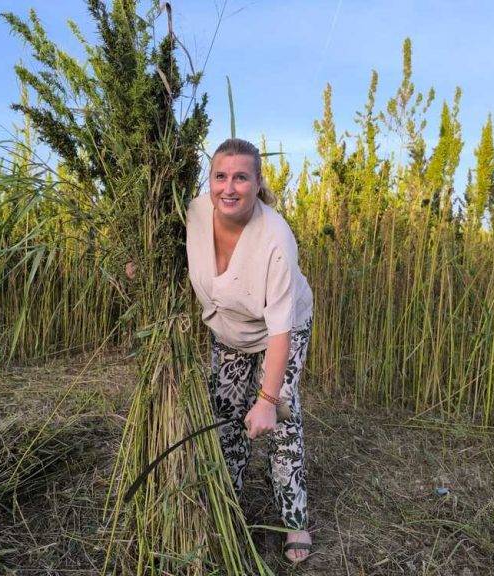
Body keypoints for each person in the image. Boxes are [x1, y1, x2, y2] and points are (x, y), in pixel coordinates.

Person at [185, 138, 314, 564]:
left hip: (281, 329)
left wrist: (267, 399)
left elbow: (281, 332)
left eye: (241, 177)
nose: (229, 187)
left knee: (279, 421)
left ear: (258, 184)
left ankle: (295, 520)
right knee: (225, 420)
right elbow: (173, 244)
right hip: (230, 332)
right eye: (220, 176)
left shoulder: (275, 239)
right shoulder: (196, 212)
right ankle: (229, 508)